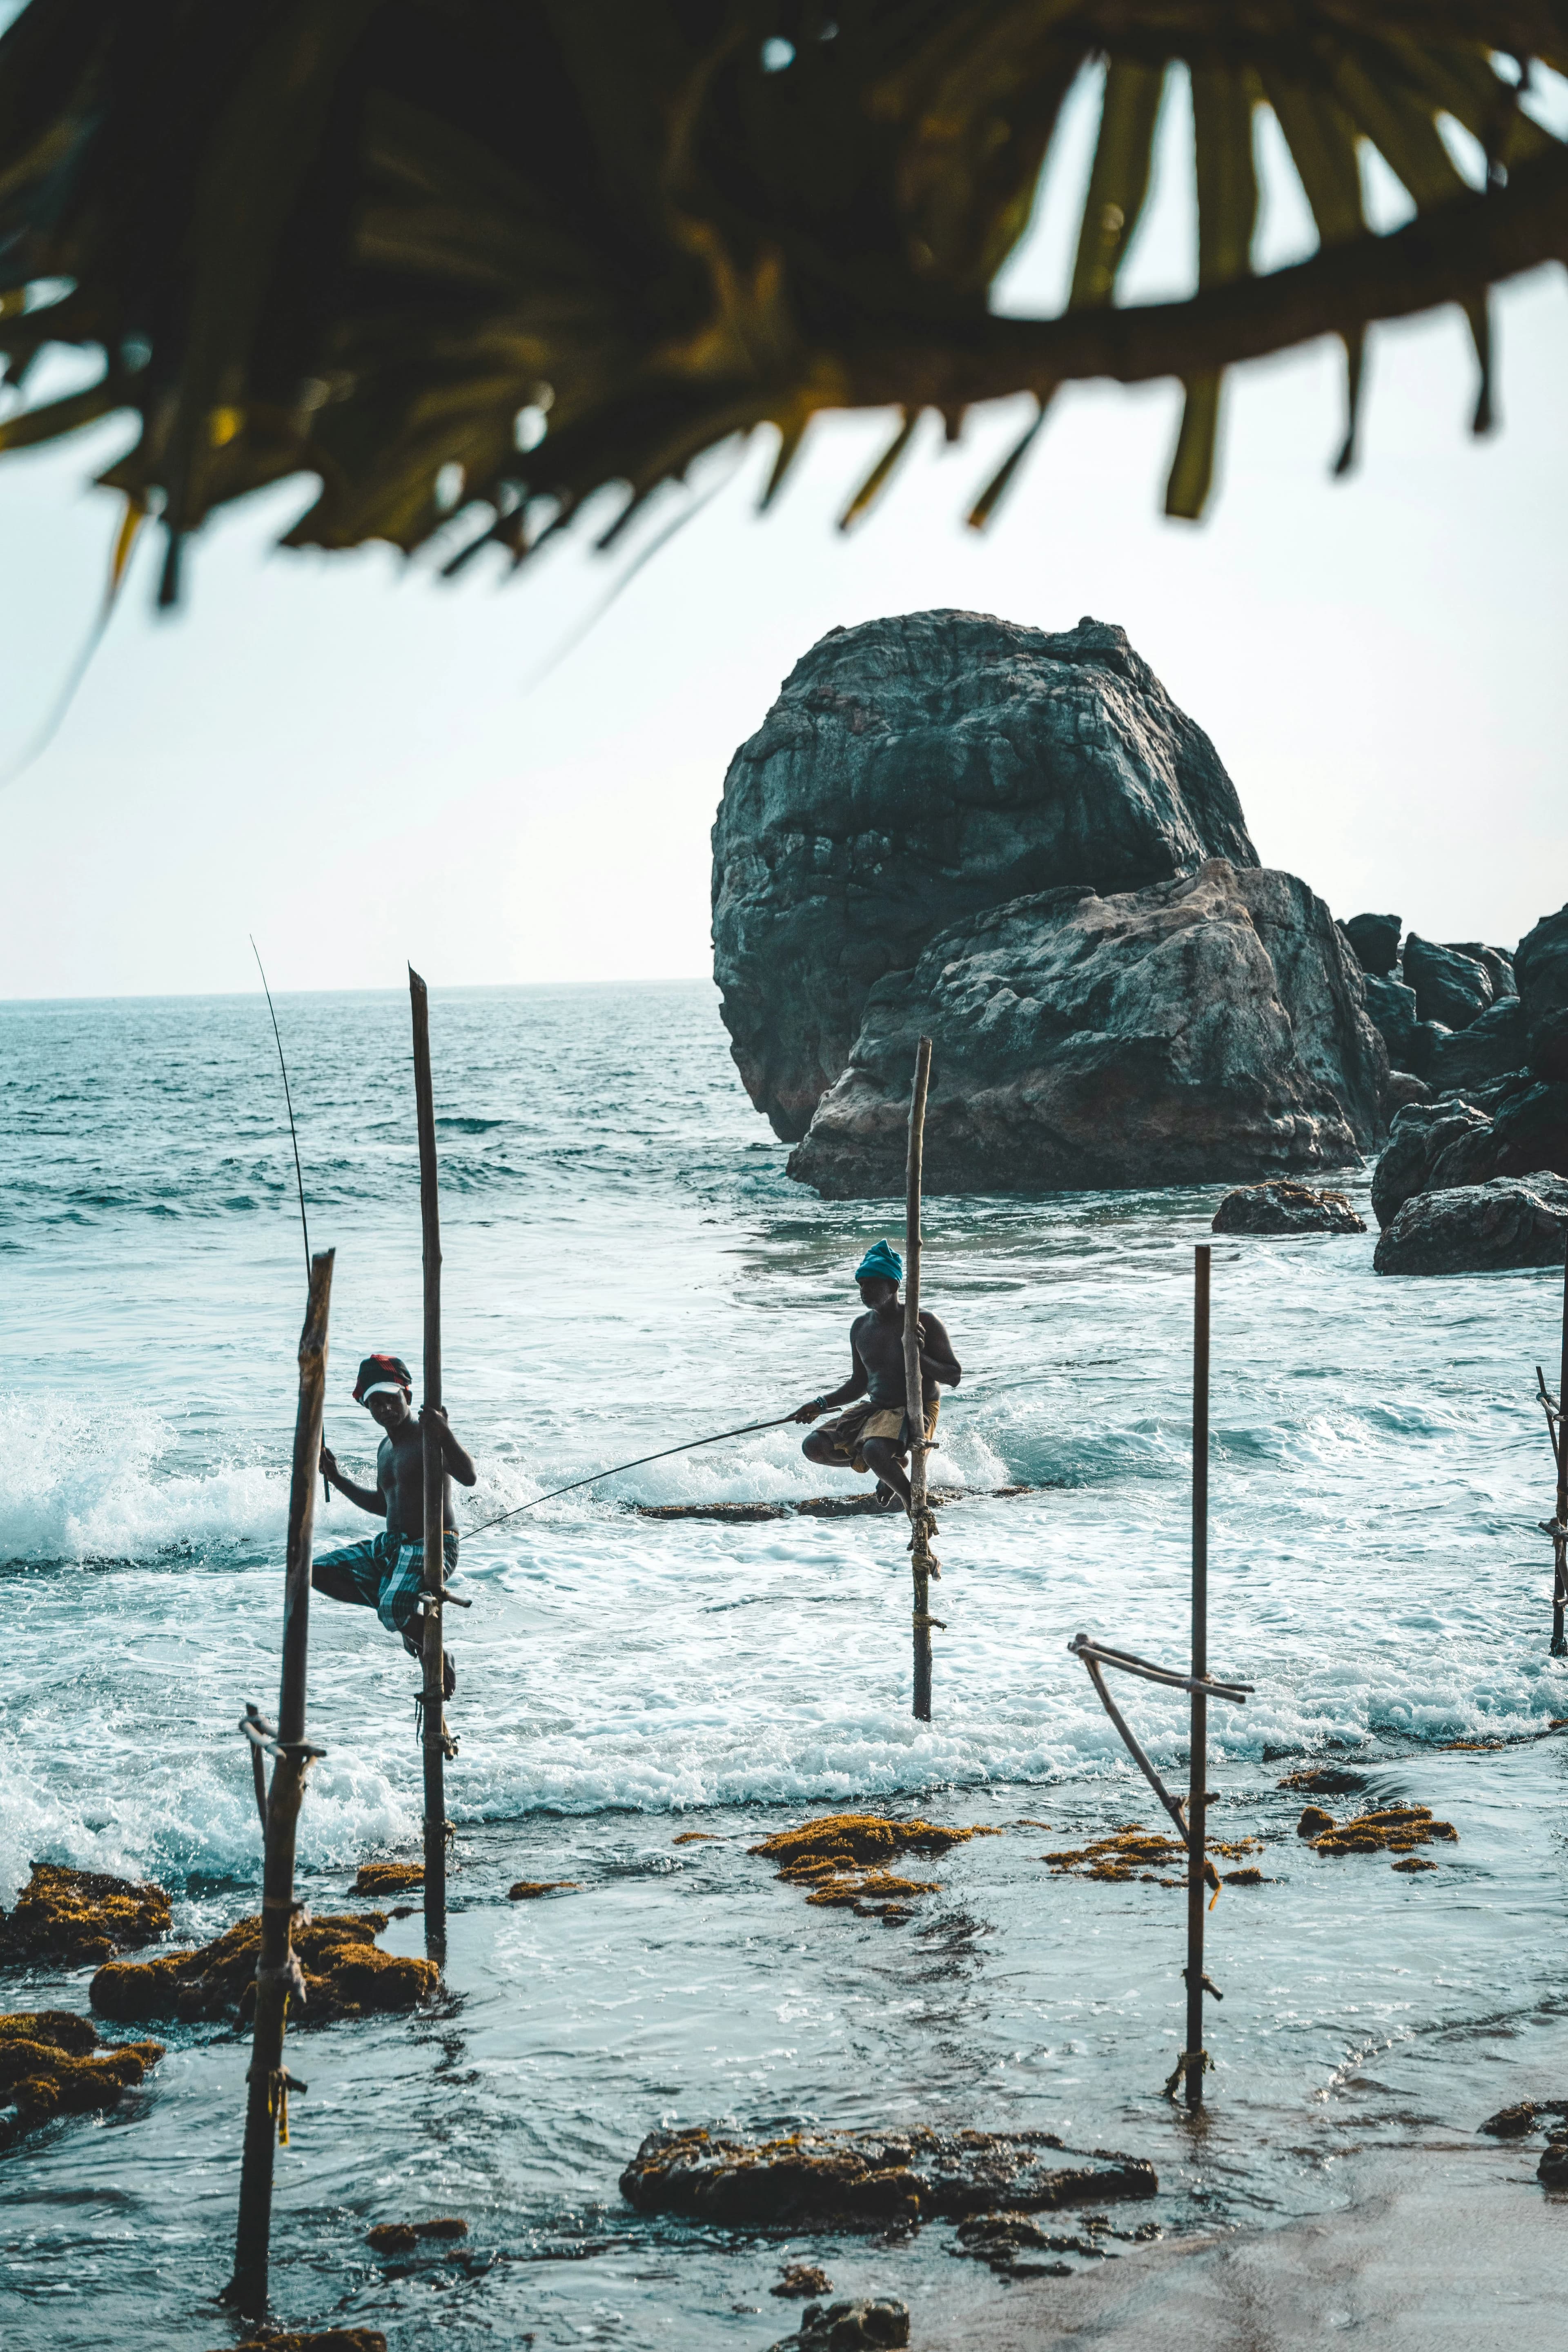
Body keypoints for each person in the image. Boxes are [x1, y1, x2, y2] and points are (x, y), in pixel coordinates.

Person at [314, 1352, 476, 1698]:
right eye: (376, 1403)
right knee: (315, 1572)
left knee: (391, 1608)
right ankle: (406, 1619)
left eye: (392, 1399)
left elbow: (469, 1477)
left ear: (409, 1398)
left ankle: (433, 1646)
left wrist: (445, 1433)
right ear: (367, 1407)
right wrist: (336, 1478)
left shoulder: (427, 1436)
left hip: (433, 1544)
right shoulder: (385, 1447)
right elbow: (382, 1504)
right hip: (392, 1546)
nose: (385, 1408)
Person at [792, 1242, 961, 1526]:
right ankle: (888, 1468)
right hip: (876, 1409)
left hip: (915, 1410)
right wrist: (820, 1404)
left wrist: (918, 1355)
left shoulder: (923, 1321)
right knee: (814, 1447)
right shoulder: (861, 1328)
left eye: (872, 1284)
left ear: (893, 1285)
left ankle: (913, 1504)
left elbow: (953, 1376)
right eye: (861, 1285)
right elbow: (859, 1383)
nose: (864, 1291)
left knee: (873, 1450)